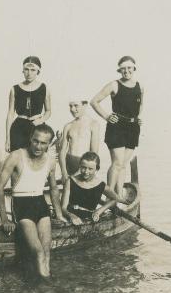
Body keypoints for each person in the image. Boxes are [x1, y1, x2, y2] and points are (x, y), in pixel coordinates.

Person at [0, 124, 66, 280]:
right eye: (35, 141)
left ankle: (44, 288)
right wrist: (5, 219)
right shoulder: (16, 156)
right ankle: (47, 290)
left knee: (47, 252)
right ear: (30, 138)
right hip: (21, 205)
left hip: (41, 204)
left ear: (49, 144)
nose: (38, 146)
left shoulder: (50, 161)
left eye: (43, 143)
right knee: (38, 252)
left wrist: (59, 214)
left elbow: (54, 189)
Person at [90, 56, 143, 197]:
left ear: (134, 68)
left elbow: (140, 105)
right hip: (117, 127)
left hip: (133, 128)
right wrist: (107, 116)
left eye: (129, 68)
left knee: (123, 164)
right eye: (123, 68)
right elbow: (94, 101)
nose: (126, 71)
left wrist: (137, 119)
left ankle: (119, 196)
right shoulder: (114, 84)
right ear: (119, 70)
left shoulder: (140, 86)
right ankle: (110, 196)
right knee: (117, 163)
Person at [5, 56, 52, 152]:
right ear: (23, 70)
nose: (29, 73)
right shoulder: (14, 89)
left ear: (38, 71)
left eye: (33, 70)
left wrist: (40, 120)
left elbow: (48, 111)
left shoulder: (44, 88)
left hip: (37, 127)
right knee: (18, 159)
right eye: (26, 69)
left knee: (37, 157)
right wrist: (7, 139)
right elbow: (10, 114)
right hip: (19, 129)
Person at [61, 152, 119, 226]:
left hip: (89, 218)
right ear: (80, 166)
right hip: (70, 216)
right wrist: (71, 216)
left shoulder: (100, 184)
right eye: (83, 167)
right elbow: (63, 208)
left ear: (97, 169)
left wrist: (99, 211)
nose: (86, 172)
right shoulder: (70, 181)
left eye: (90, 169)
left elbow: (115, 198)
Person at [58, 100, 100, 183]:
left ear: (85, 105)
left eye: (76, 105)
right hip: (69, 163)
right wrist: (63, 172)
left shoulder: (93, 124)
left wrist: (81, 171)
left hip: (85, 165)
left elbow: (94, 153)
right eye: (70, 106)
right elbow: (62, 151)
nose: (72, 109)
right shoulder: (68, 126)